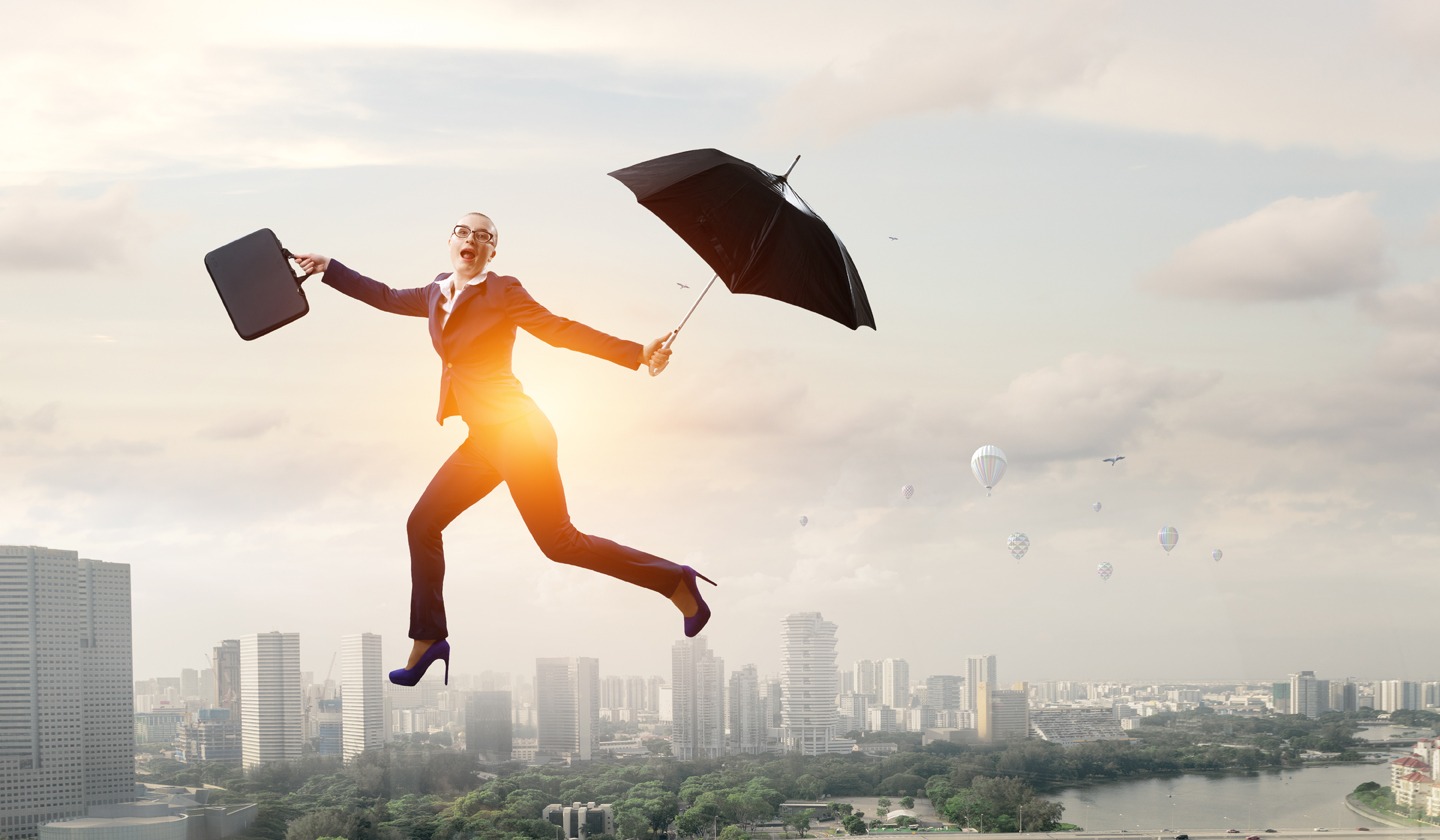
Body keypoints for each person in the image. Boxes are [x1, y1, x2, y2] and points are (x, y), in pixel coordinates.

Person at [293, 212, 715, 687]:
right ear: (450, 242)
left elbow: (558, 329)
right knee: (422, 524)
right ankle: (429, 638)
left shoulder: (503, 291)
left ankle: (675, 580)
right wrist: (329, 267)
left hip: (520, 433)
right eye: (462, 231)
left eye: (483, 236)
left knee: (560, 544)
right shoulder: (436, 291)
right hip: (484, 441)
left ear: (493, 251)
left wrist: (636, 353)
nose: (471, 239)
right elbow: (387, 297)